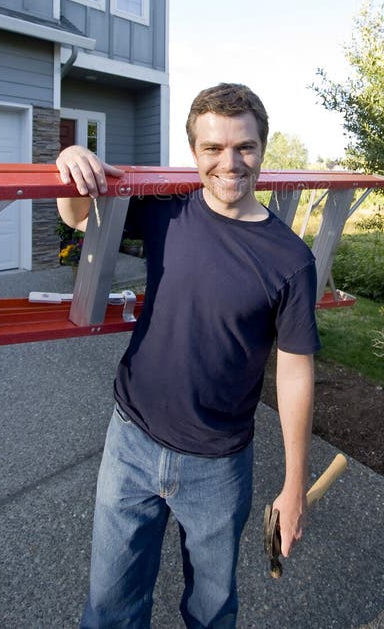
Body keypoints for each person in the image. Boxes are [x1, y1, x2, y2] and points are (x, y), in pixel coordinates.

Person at [56, 83, 320, 628]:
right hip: (130, 441)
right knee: (110, 609)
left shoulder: (290, 259)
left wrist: (294, 485)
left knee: (212, 612)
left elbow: (295, 369)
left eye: (244, 147)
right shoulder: (164, 213)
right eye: (213, 149)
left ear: (263, 149)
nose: (230, 163)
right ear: (194, 152)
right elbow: (80, 217)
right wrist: (70, 163)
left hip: (218, 466)